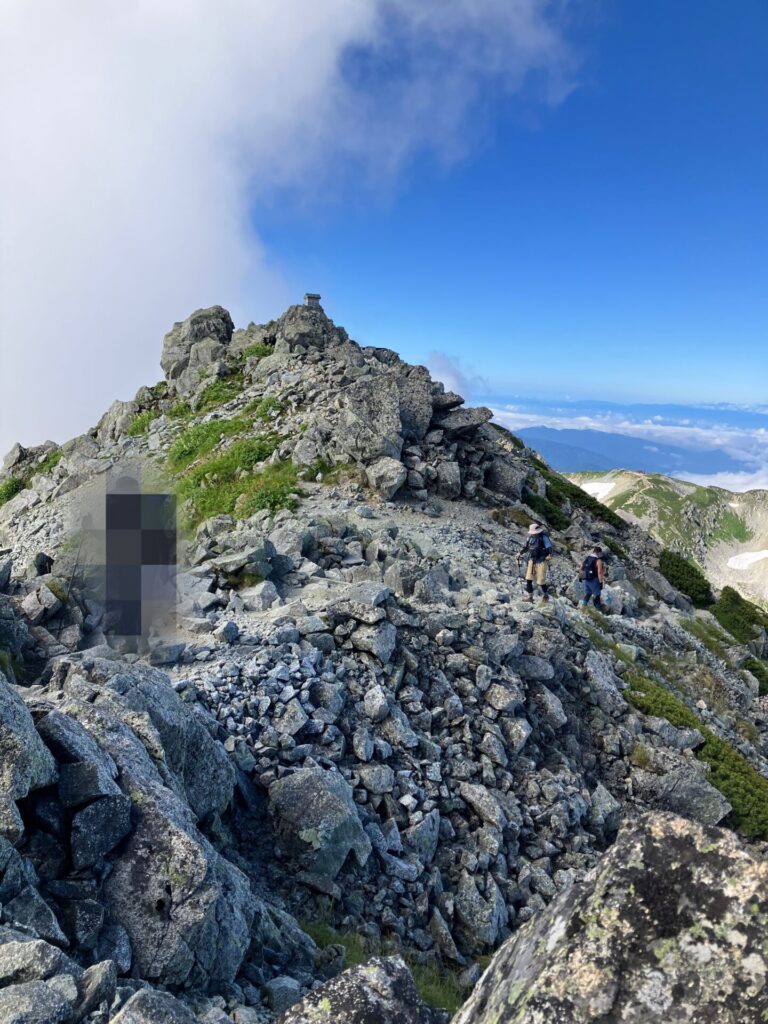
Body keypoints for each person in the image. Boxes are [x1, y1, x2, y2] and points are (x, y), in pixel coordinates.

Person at [517, 523, 553, 604]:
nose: (533, 534)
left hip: (541, 561)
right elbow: (526, 548)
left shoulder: (544, 537)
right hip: (532, 560)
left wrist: (550, 556)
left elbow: (549, 548)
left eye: (534, 533)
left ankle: (546, 596)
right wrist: (520, 553)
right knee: (528, 579)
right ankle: (530, 597)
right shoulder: (530, 538)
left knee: (541, 581)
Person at [580, 545, 605, 610]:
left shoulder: (588, 558)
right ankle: (599, 612)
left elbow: (581, 568)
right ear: (598, 552)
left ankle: (583, 607)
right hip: (594, 580)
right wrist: (600, 582)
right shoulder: (598, 560)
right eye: (601, 553)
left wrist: (580, 576)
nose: (601, 555)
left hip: (586, 579)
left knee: (588, 594)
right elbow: (599, 572)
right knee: (597, 596)